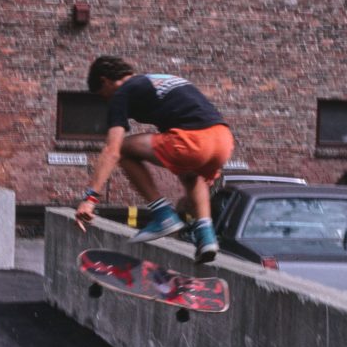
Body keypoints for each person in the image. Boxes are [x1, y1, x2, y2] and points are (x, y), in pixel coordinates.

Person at [73, 56, 235, 263]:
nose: (106, 101)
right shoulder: (157, 80)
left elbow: (111, 150)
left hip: (193, 141)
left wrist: (90, 199)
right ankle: (206, 237)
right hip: (223, 141)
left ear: (105, 81)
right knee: (190, 175)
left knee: (122, 149)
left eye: (102, 96)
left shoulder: (122, 92)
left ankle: (163, 215)